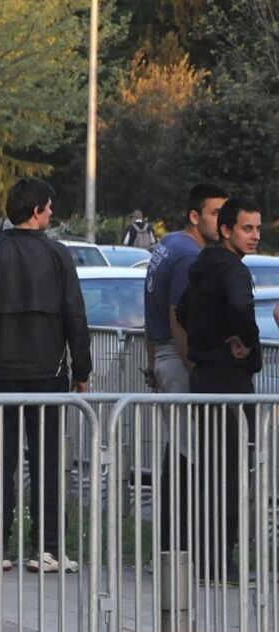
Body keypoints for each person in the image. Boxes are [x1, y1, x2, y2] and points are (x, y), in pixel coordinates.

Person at [0, 177, 91, 573]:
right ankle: (47, 548)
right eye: (48, 207)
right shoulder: (58, 255)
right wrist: (81, 369)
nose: (51, 213)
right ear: (36, 211)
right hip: (48, 374)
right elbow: (75, 317)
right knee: (47, 462)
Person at [176, 197, 263, 579]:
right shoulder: (232, 270)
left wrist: (207, 338)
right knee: (230, 473)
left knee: (211, 471)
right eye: (247, 228)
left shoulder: (203, 267)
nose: (255, 236)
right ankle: (219, 561)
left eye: (257, 228)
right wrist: (248, 345)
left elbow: (182, 312)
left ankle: (206, 556)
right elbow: (241, 308)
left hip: (204, 376)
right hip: (228, 380)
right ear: (226, 230)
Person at [141, 184, 227, 553]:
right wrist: (197, 368)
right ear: (194, 216)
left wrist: (151, 360)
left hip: (164, 354)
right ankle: (179, 549)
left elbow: (150, 309)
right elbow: (178, 318)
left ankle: (171, 548)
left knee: (178, 450)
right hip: (178, 357)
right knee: (188, 456)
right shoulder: (189, 255)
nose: (223, 222)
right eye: (215, 214)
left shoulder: (168, 244)